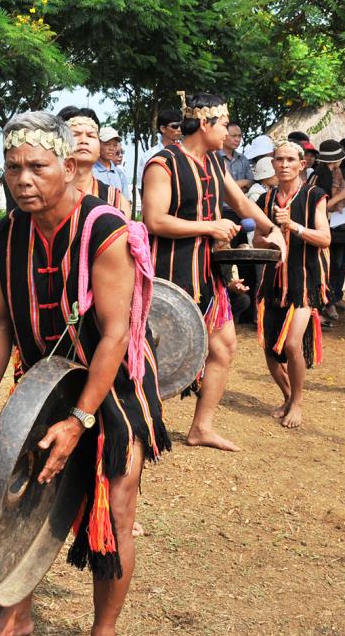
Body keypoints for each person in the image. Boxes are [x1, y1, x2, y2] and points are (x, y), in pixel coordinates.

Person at [0, 112, 168, 636]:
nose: (23, 179)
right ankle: (16, 615)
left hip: (114, 385)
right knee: (23, 498)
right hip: (41, 384)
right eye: (13, 168)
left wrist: (80, 420)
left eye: (37, 165)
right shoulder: (6, 234)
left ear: (69, 163)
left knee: (116, 509)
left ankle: (103, 631)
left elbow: (116, 335)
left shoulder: (105, 229)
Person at [142, 92, 284, 452]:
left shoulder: (216, 164)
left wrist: (271, 228)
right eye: (223, 124)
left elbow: (241, 202)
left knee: (224, 349)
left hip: (207, 275)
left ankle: (201, 428)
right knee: (151, 356)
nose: (228, 131)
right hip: (168, 277)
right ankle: (141, 424)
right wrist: (209, 227)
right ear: (204, 124)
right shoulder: (163, 164)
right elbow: (154, 220)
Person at [254, 141, 330, 429]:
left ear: (302, 164)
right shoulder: (266, 198)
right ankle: (287, 396)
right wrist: (269, 236)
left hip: (304, 281)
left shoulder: (314, 196)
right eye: (279, 159)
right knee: (270, 349)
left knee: (292, 343)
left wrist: (293, 226)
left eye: (290, 159)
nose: (284, 164)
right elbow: (257, 240)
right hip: (273, 281)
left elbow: (325, 238)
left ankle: (297, 402)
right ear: (272, 164)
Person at [309, 140, 345, 323]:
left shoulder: (331, 174)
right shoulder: (319, 177)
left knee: (329, 267)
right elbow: (319, 207)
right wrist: (342, 196)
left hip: (330, 226)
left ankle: (325, 303)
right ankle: (319, 306)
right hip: (320, 228)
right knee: (321, 267)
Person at [60, 107, 130, 215]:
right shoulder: (44, 196)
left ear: (98, 148)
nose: (83, 141)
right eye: (75, 135)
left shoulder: (118, 202)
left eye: (90, 135)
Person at [217, 121, 254, 194]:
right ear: (224, 135)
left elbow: (251, 184)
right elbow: (218, 187)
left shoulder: (243, 159)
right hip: (221, 205)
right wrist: (244, 182)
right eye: (234, 136)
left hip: (242, 203)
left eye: (239, 136)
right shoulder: (214, 157)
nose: (237, 139)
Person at [93, 125, 130, 193]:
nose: (111, 148)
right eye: (107, 144)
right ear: (98, 144)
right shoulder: (90, 171)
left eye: (115, 145)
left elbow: (125, 200)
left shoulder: (119, 173)